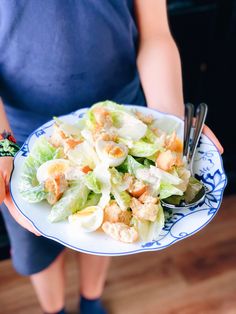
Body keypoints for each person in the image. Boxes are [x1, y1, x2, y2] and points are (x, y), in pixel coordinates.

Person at [0, 1, 223, 314]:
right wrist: (2, 147)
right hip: (21, 136)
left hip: (123, 120)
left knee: (106, 225)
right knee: (36, 249)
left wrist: (171, 122)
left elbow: (156, 33)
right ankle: (55, 310)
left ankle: (91, 300)